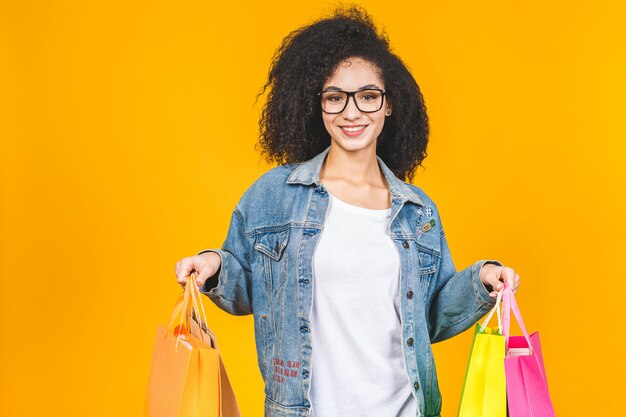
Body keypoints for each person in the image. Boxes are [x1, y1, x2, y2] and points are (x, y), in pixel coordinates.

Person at [175, 5, 520, 417]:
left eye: (368, 96)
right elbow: (248, 286)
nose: (352, 112)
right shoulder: (274, 194)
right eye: (335, 97)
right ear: (317, 106)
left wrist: (483, 279)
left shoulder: (417, 210)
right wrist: (212, 264)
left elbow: (431, 316)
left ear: (389, 105)